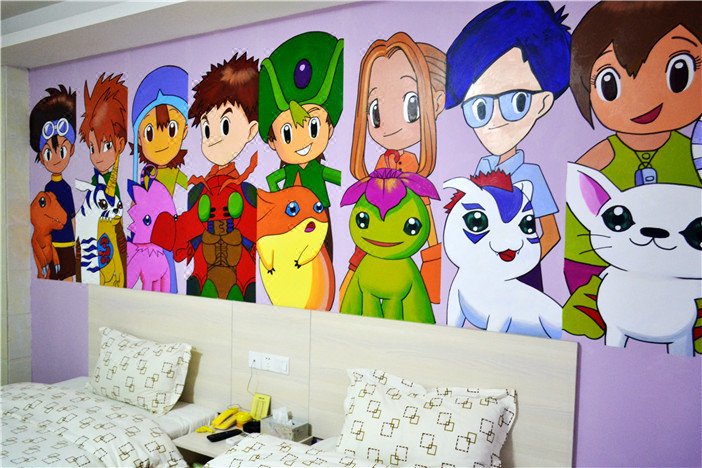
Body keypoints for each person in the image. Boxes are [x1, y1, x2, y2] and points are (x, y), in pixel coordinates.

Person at [563, 1, 702, 342]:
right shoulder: (595, 162)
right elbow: (579, 235)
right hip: (614, 286)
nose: (643, 98)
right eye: (610, 83)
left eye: (679, 72)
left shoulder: (694, 155)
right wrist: (586, 285)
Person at [446, 1, 571, 291]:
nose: (494, 120)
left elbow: (550, 233)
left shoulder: (529, 176)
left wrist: (517, 267)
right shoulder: (482, 169)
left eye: (516, 102)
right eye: (479, 108)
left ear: (542, 103)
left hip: (520, 278)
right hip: (483, 276)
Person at [342, 32, 446, 304]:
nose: (388, 125)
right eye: (375, 110)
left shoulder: (412, 168)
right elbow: (368, 218)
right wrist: (352, 268)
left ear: (436, 103)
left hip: (403, 263)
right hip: (373, 262)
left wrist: (432, 261)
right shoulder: (381, 165)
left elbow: (426, 217)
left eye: (410, 103)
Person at [29, 85, 77, 281]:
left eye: (62, 151)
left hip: (66, 242)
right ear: (42, 156)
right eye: (49, 153)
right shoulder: (48, 189)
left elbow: (72, 216)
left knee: (68, 277)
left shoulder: (65, 188)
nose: (56, 158)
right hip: (51, 243)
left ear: (71, 150)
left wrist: (74, 238)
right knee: (52, 277)